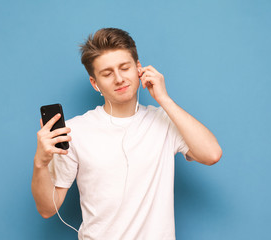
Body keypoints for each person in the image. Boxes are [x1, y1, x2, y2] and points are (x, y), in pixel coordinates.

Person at [31, 28, 222, 240]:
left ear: (138, 68)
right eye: (107, 73)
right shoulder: (75, 131)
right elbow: (48, 209)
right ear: (95, 83)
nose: (119, 78)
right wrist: (40, 163)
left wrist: (164, 99)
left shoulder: (164, 121)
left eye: (125, 68)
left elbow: (211, 154)